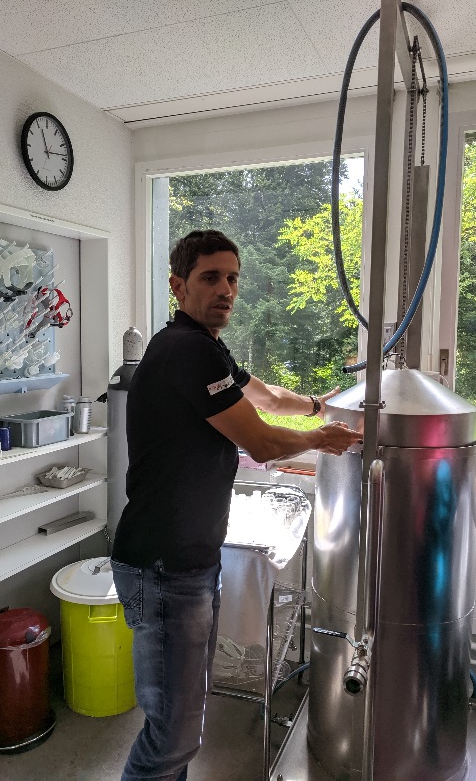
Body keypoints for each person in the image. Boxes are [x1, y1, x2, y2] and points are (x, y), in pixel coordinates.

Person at [111, 229, 362, 781]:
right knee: (172, 733)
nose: (225, 289)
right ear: (178, 285)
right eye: (210, 277)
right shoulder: (188, 350)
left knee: (181, 721)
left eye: (232, 278)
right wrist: (322, 439)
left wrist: (320, 405)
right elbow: (263, 441)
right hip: (163, 565)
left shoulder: (205, 347)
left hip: (189, 562)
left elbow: (265, 397)